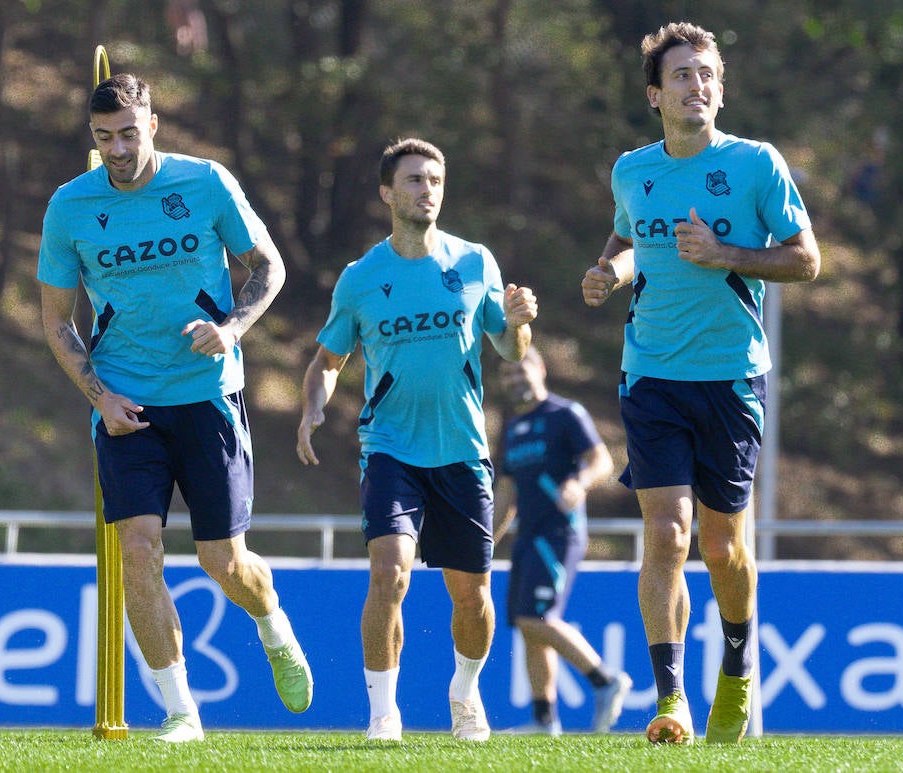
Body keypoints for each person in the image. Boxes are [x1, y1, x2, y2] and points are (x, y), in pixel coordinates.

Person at [37, 73, 313, 743]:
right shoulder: (71, 206)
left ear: (153, 124)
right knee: (140, 547)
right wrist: (100, 398)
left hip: (208, 396)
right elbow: (56, 320)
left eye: (129, 134)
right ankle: (181, 710)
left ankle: (271, 620)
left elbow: (267, 266)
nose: (118, 150)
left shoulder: (205, 183)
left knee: (225, 563)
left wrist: (233, 328)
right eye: (104, 139)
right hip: (126, 402)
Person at [580, 22, 821, 745]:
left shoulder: (755, 164)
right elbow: (629, 238)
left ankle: (740, 667)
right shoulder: (634, 169)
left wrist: (725, 253)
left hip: (732, 376)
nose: (698, 86)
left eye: (707, 75)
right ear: (656, 95)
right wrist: (607, 273)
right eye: (682, 76)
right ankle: (671, 699)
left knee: (722, 548)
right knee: (667, 533)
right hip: (650, 373)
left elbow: (806, 259)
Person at [296, 137, 537, 743]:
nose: (426, 189)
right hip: (391, 449)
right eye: (413, 180)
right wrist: (312, 406)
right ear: (387, 193)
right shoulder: (360, 278)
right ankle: (383, 713)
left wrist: (517, 323)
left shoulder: (475, 263)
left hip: (461, 450)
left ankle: (464, 692)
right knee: (390, 574)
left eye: (434, 179)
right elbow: (330, 357)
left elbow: (508, 350)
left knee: (472, 594)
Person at [492, 345, 633, 735]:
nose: (515, 379)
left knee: (535, 618)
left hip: (558, 534)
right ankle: (544, 719)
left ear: (540, 369)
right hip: (527, 536)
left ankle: (606, 680)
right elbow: (505, 492)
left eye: (521, 370)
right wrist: (486, 543)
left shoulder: (565, 414)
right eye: (507, 374)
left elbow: (601, 460)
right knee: (527, 625)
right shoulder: (511, 428)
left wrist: (579, 482)